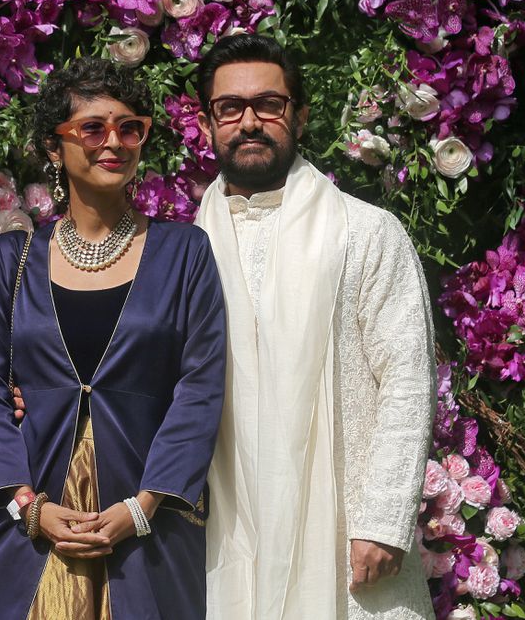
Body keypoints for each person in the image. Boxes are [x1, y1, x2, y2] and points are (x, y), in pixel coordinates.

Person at [0, 57, 226, 620]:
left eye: (130, 128)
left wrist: (146, 505)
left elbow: (200, 388)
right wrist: (29, 506)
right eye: (93, 128)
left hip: (146, 530)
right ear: (55, 149)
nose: (115, 142)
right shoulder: (14, 258)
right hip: (30, 527)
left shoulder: (184, 253)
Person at [194, 34, 436, 619]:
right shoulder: (184, 249)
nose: (249, 122)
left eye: (269, 105)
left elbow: (406, 378)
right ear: (207, 125)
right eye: (230, 108)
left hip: (344, 533)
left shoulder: (367, 232)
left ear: (298, 117)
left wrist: (382, 520)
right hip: (222, 531)